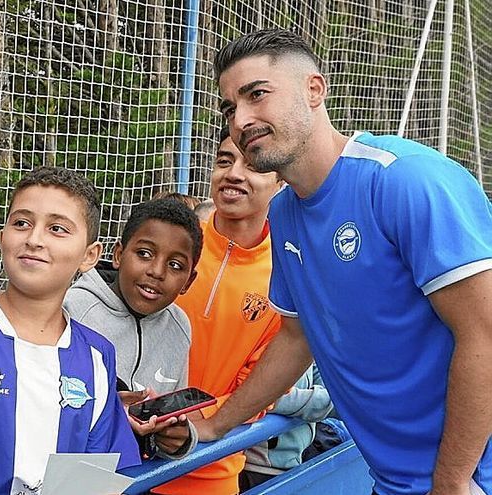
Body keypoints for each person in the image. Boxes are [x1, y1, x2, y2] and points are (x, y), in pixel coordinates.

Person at [191, 29, 492, 495]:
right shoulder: (285, 216)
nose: (241, 119)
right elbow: (297, 337)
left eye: (257, 94)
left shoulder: (405, 179)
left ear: (315, 90)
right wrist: (214, 425)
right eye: (230, 107)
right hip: (394, 482)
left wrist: (452, 481)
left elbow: (485, 333)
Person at [0, 167, 140, 494]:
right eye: (21, 223)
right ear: (2, 236)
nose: (34, 239)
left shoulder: (97, 356)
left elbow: (98, 472)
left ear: (90, 255)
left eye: (57, 228)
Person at [153, 125, 283, 495]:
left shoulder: (285, 273)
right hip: (126, 454)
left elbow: (264, 384)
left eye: (253, 165)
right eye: (224, 161)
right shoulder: (173, 239)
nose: (234, 173)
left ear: (280, 182)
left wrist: (202, 418)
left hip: (208, 465)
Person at [64, 198, 202, 460]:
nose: (157, 271)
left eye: (175, 265)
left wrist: (179, 439)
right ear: (118, 255)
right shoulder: (73, 309)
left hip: (137, 479)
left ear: (189, 281)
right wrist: (114, 414)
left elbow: (170, 416)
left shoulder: (179, 326)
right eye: (144, 254)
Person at [239, 364, 334, 490]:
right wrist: (325, 401)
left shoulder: (307, 345)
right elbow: (255, 396)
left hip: (297, 458)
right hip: (259, 467)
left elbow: (332, 389)